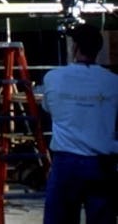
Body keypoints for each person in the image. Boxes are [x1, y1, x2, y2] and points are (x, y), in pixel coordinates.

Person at [41, 23, 118, 224]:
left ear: (74, 47)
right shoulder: (113, 82)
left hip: (66, 163)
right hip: (102, 163)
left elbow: (48, 108)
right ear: (98, 50)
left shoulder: (53, 78)